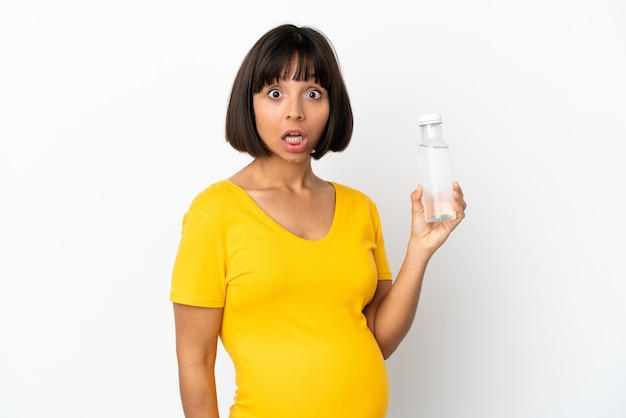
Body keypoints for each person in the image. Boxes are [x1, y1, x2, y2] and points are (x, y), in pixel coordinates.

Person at [170, 23, 466, 418]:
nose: (295, 111)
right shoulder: (214, 214)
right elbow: (195, 362)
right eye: (275, 93)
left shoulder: (359, 208)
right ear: (250, 103)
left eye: (313, 93)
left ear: (332, 106)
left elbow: (380, 337)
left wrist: (420, 249)